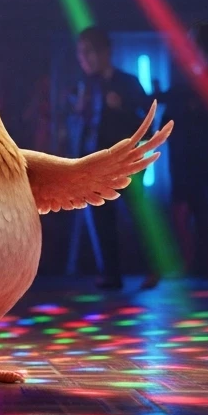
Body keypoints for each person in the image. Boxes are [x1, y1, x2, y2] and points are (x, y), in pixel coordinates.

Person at [75, 26, 150, 290]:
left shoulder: (128, 83)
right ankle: (111, 274)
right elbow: (86, 131)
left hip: (126, 164)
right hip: (96, 165)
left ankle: (153, 269)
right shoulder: (88, 86)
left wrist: (124, 108)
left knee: (139, 218)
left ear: (104, 52)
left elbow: (148, 126)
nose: (83, 59)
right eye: (80, 53)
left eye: (88, 52)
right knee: (100, 219)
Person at [159, 23, 208, 279]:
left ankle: (205, 264)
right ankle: (191, 263)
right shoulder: (186, 81)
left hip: (198, 154)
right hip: (184, 153)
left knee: (200, 208)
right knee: (187, 207)